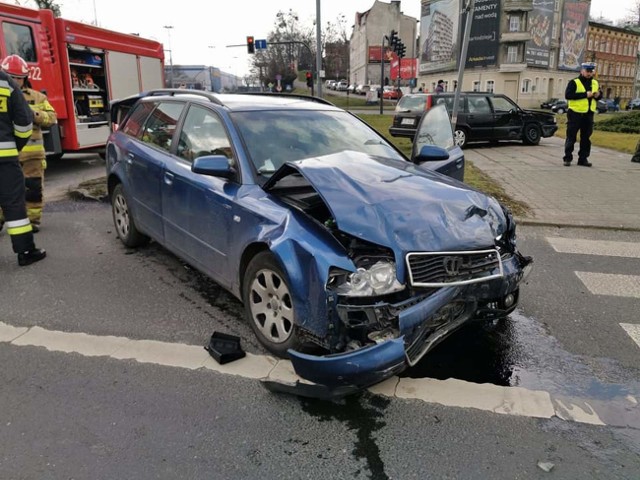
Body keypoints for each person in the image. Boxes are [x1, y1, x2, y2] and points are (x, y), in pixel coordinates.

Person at [0, 55, 57, 232]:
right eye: (10, 75)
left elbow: (52, 118)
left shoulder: (38, 97)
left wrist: (33, 115)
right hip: (8, 154)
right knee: (4, 190)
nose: (14, 80)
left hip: (33, 155)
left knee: (33, 190)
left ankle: (32, 222)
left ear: (25, 77)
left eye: (18, 77)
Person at [0, 62, 46, 266]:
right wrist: (14, 145)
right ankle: (26, 251)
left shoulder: (36, 95)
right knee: (14, 204)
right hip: (5, 159)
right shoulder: (5, 84)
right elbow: (23, 121)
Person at [563, 62, 602, 167]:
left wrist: (598, 95)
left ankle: (583, 159)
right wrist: (585, 95)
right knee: (571, 137)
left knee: (586, 138)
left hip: (588, 114)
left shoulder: (595, 83)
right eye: (587, 71)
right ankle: (567, 158)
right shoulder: (574, 82)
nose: (589, 73)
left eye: (591, 71)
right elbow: (568, 95)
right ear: (582, 71)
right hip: (575, 114)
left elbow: (599, 95)